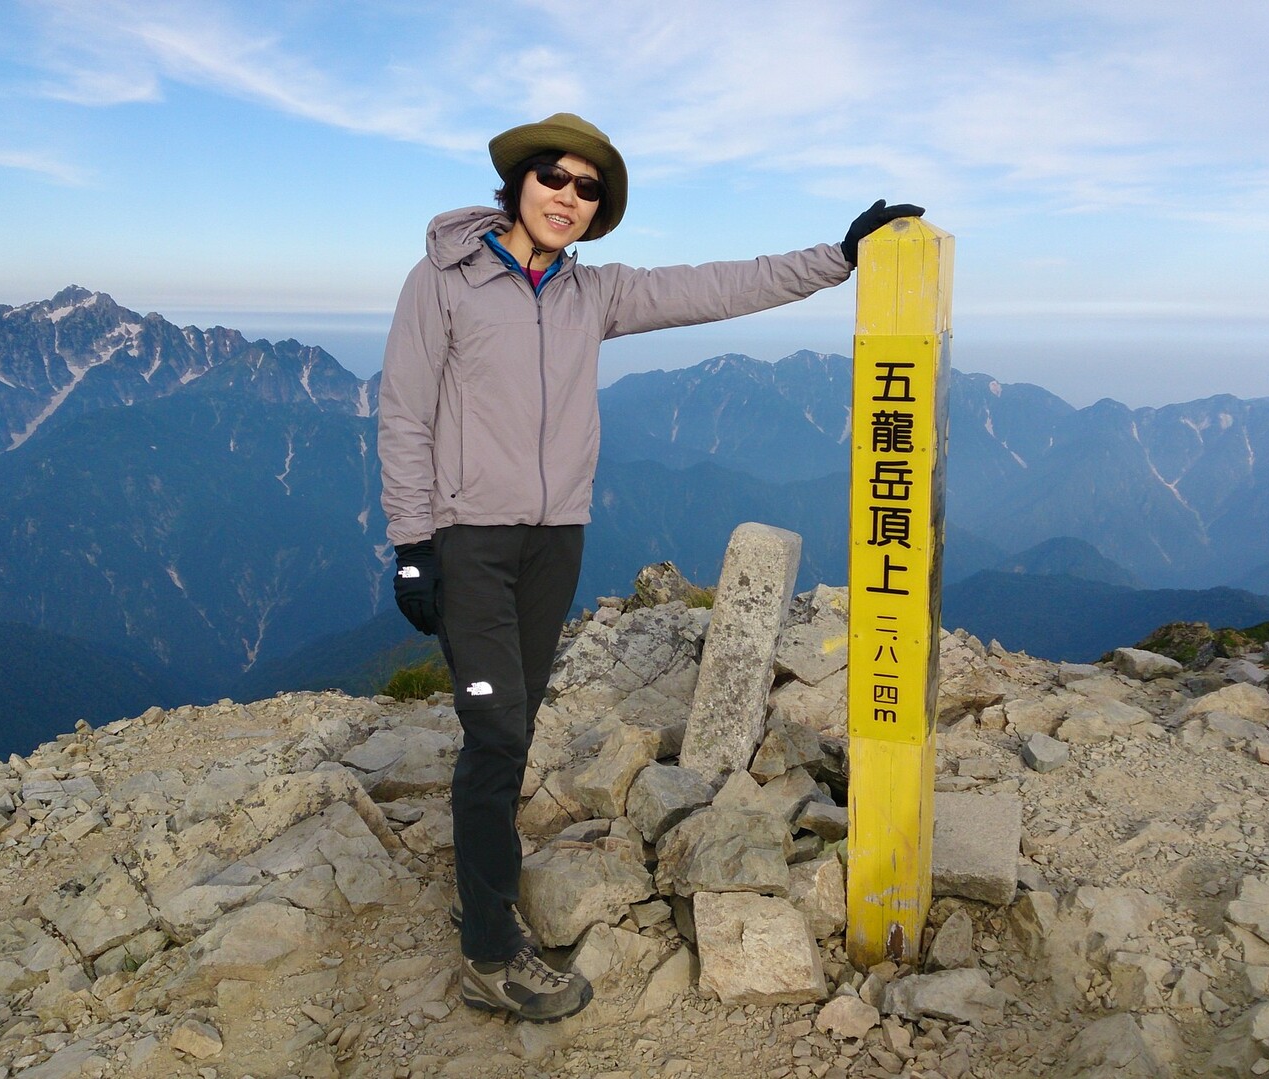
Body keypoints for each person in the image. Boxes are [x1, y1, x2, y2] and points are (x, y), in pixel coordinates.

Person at [377, 112, 922, 1022]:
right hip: (468, 539)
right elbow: (403, 411)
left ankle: (487, 887)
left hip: (555, 540)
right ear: (518, 183)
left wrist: (837, 256)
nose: (570, 198)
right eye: (555, 177)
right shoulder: (443, 283)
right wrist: (411, 547)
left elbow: (712, 287)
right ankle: (486, 948)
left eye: (590, 190)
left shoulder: (597, 295)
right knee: (498, 735)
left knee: (516, 720)